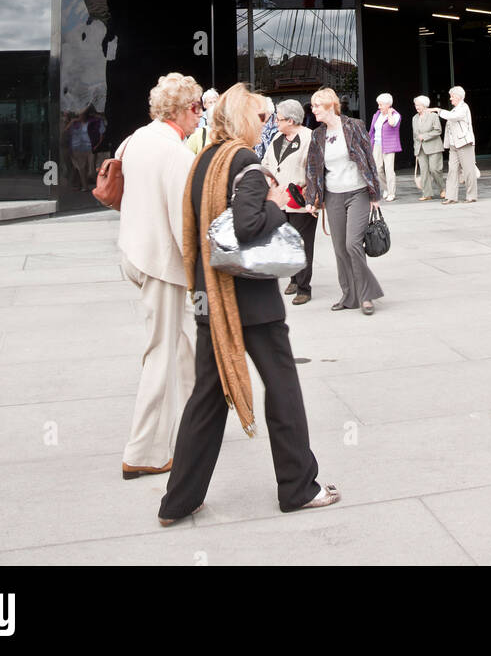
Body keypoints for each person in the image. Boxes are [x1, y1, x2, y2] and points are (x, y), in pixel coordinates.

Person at [159, 83, 339, 523]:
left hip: (211, 297)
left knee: (206, 398)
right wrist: (277, 203)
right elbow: (247, 224)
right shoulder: (245, 162)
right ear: (243, 119)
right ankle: (298, 487)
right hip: (251, 300)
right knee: (283, 390)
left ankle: (178, 501)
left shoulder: (203, 160)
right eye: (261, 117)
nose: (267, 124)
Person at [117, 72, 202, 480]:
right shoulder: (177, 153)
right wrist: (201, 269)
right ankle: (144, 451)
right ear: (186, 110)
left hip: (134, 252)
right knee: (162, 353)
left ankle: (195, 421)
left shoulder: (135, 139)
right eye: (198, 108)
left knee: (182, 347)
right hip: (161, 261)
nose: (200, 117)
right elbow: (184, 221)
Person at [305, 87, 384, 315]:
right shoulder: (317, 135)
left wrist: (374, 194)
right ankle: (349, 296)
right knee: (340, 248)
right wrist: (312, 199)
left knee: (352, 244)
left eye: (317, 105)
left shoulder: (354, 126)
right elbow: (312, 169)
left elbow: (369, 159)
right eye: (313, 105)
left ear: (330, 106)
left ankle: (366, 295)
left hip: (357, 191)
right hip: (333, 195)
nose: (313, 109)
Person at [262, 99, 315, 304]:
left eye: (279, 118)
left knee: (302, 243)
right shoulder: (277, 136)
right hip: (279, 198)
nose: (275, 121)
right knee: (286, 240)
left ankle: (304, 287)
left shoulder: (309, 137)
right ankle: (293, 277)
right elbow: (266, 161)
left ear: (291, 120)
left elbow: (314, 168)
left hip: (300, 199)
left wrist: (312, 195)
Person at [436, 86, 477, 203]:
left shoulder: (464, 107)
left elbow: (453, 117)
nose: (450, 99)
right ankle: (451, 197)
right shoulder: (455, 109)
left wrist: (438, 110)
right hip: (454, 145)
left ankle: (471, 196)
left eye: (452, 96)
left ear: (458, 97)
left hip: (464, 143)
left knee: (469, 171)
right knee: (452, 171)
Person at [368, 92, 402, 201]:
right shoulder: (376, 114)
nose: (379, 107)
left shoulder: (396, 115)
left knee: (389, 169)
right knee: (378, 168)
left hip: (389, 145)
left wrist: (390, 114)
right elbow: (372, 130)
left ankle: (392, 192)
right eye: (378, 104)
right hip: (377, 143)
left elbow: (392, 123)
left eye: (381, 105)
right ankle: (386, 188)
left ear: (388, 105)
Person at [412, 96, 445, 200]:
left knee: (434, 169)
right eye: (416, 105)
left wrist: (425, 136)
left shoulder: (433, 116)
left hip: (434, 147)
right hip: (420, 148)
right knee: (424, 171)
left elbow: (438, 130)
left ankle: (443, 189)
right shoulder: (415, 118)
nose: (417, 107)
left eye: (419, 105)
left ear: (425, 105)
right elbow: (415, 136)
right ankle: (427, 194)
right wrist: (416, 149)